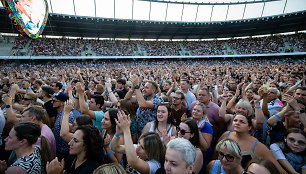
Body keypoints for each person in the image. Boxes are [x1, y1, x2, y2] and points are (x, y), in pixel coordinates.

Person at [218, 114, 286, 173]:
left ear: (249, 127)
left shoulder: (257, 146)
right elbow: (214, 155)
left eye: (242, 122)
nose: (237, 123)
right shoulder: (226, 135)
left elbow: (277, 169)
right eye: (235, 120)